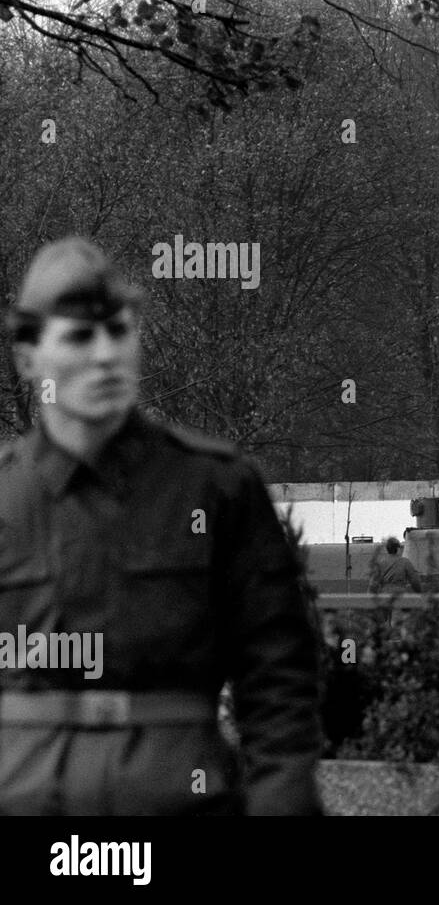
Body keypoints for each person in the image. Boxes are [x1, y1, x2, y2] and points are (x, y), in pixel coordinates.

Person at [0, 237, 322, 815]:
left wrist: (281, 803)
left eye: (120, 332)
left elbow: (278, 674)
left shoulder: (215, 487)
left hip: (178, 794)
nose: (105, 356)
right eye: (79, 336)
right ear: (28, 357)